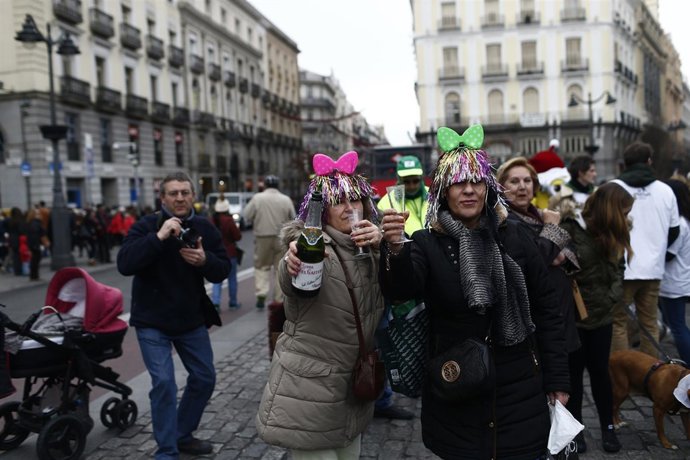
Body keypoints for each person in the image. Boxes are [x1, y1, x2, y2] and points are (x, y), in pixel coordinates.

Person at [379, 125, 570, 459]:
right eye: (457, 183)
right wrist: (395, 249)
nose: (468, 190)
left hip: (520, 388)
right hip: (457, 388)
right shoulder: (427, 243)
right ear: (443, 191)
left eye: (476, 181)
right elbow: (401, 288)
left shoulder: (515, 237)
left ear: (488, 188)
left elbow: (547, 309)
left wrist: (558, 378)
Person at [256, 151, 385, 459]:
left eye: (355, 199)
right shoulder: (313, 244)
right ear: (322, 210)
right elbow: (292, 280)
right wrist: (294, 262)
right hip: (308, 389)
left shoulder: (369, 247)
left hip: (352, 389)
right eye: (339, 201)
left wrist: (385, 247)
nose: (350, 208)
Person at [117, 172, 230, 459]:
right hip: (152, 321)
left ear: (193, 195)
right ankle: (167, 452)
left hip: (189, 319)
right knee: (164, 383)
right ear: (163, 198)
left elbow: (222, 269)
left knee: (204, 378)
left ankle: (181, 434)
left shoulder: (204, 226)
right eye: (173, 193)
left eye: (184, 192)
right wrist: (159, 236)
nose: (179, 197)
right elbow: (125, 263)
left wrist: (205, 261)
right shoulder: (146, 226)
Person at [560, 182, 634, 454]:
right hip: (576, 319)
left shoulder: (615, 231)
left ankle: (608, 427)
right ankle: (576, 429)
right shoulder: (572, 228)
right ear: (610, 209)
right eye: (623, 211)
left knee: (601, 374)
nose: (626, 217)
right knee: (574, 377)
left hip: (603, 317)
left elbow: (619, 267)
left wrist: (613, 296)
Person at [497, 156, 580, 355]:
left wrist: (561, 255)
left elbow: (574, 250)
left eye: (527, 181)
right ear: (501, 187)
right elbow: (535, 263)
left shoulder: (540, 214)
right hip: (537, 316)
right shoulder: (504, 222)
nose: (522, 187)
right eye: (514, 181)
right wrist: (551, 229)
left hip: (563, 311)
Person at [610, 141, 680, 357]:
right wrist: (658, 251)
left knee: (618, 322)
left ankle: (622, 370)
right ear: (649, 161)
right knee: (649, 322)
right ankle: (649, 372)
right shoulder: (665, 190)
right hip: (653, 269)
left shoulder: (612, 188)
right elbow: (674, 231)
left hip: (622, 268)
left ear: (625, 163)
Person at [374, 155, 426, 420]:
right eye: (408, 180)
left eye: (417, 178)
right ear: (399, 179)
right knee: (390, 337)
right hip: (400, 271)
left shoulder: (435, 197)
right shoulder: (385, 203)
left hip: (429, 273)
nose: (413, 183)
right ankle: (384, 397)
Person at [243, 175, 295, 309]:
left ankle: (261, 293)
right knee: (280, 267)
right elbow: (293, 218)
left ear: (265, 185)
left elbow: (247, 215)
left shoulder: (257, 198)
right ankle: (279, 298)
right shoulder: (286, 199)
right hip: (281, 237)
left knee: (261, 266)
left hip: (262, 236)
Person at [659, 179, 690, 364]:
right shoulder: (685, 219)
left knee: (677, 326)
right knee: (675, 323)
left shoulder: (679, 222)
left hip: (674, 282)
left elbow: (670, 254)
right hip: (679, 279)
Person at [377, 155, 429, 236]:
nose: (412, 186)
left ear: (421, 178)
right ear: (399, 179)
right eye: (406, 182)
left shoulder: (434, 195)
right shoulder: (384, 203)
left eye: (415, 181)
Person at [210, 195, 242, 310]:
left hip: (215, 253)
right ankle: (233, 302)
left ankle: (216, 303)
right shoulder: (229, 220)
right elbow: (237, 236)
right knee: (232, 278)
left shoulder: (211, 220)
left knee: (216, 280)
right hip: (230, 253)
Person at [25, 207, 47, 281]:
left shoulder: (29, 223)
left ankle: (33, 275)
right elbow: (39, 234)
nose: (40, 215)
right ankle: (35, 275)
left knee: (34, 259)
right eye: (38, 214)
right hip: (36, 244)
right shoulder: (36, 223)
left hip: (31, 243)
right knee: (36, 260)